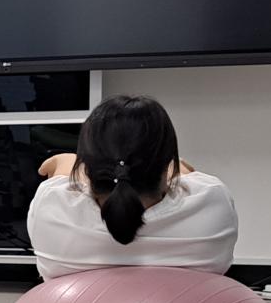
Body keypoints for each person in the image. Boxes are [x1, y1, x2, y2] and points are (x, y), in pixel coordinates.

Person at [29, 94, 238, 280]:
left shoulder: (51, 206)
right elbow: (184, 171)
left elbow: (63, 172)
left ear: (87, 166)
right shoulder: (213, 201)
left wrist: (69, 160)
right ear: (168, 164)